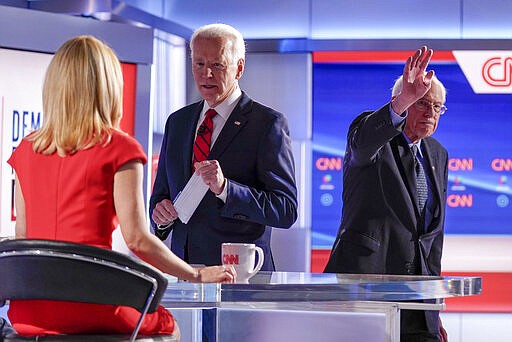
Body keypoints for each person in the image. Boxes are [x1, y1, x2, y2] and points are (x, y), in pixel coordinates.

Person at [7, 35, 235, 339]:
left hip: (30, 311)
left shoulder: (26, 149)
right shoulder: (119, 148)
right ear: (109, 86)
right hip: (95, 302)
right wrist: (195, 275)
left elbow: (24, 238)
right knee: (170, 326)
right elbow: (138, 240)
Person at [324, 46, 449, 342]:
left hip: (417, 305)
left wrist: (435, 308)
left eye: (437, 107)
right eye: (423, 103)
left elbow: (432, 239)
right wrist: (405, 98)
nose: (430, 112)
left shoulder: (437, 153)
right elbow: (364, 142)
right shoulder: (373, 138)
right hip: (368, 291)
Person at [150, 23, 298, 272]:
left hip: (240, 279)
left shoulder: (267, 124)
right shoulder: (178, 122)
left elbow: (285, 209)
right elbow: (161, 194)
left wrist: (226, 189)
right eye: (199, 64)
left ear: (239, 67)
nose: (206, 74)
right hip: (186, 274)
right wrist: (160, 216)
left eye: (217, 65)